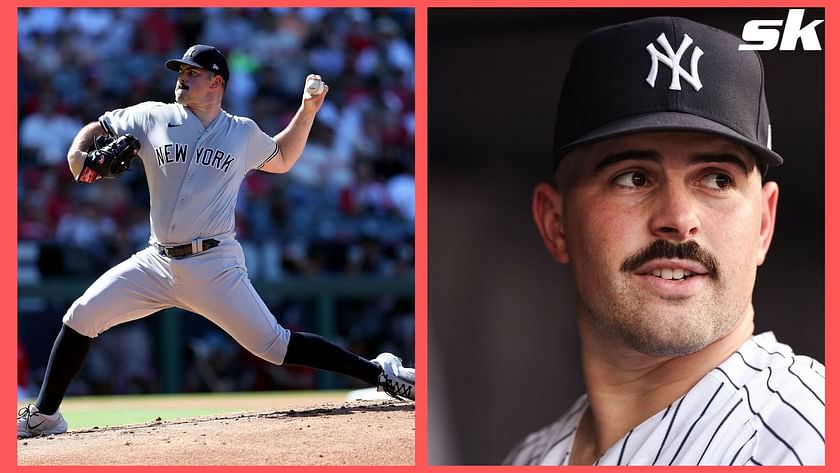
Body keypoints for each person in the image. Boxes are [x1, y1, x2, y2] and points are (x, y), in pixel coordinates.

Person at [17, 44, 415, 439]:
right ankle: (46, 415)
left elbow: (281, 158)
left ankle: (380, 372)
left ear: (216, 81)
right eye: (180, 71)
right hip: (155, 262)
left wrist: (307, 112)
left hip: (214, 265)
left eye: (192, 72)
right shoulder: (153, 115)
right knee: (81, 316)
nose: (182, 77)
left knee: (273, 346)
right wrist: (77, 153)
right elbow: (99, 127)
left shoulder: (239, 132)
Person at [504, 17, 824, 466]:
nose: (678, 219)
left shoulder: (811, 438)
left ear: (764, 224)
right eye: (633, 177)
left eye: (717, 178)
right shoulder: (528, 457)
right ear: (556, 224)